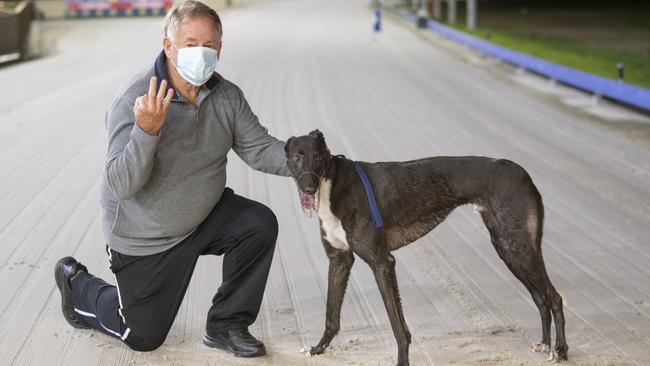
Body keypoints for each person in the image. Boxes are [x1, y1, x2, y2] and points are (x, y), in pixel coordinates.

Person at [54, 0, 290, 357]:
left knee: (258, 224)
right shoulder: (134, 98)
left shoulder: (226, 96)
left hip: (204, 214)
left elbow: (260, 149)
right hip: (147, 235)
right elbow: (122, 184)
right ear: (168, 46)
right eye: (191, 44)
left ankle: (226, 324)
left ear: (220, 49)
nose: (201, 53)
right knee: (142, 336)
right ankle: (77, 286)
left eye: (209, 46)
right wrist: (146, 132)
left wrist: (316, 163)